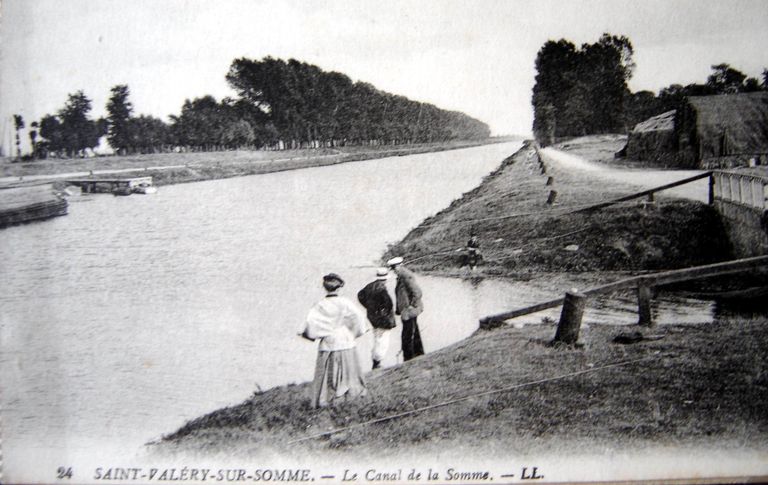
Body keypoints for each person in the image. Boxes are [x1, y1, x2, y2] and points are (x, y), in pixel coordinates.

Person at [298, 273, 369, 408]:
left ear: (325, 288)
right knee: (349, 368)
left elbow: (309, 324)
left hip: (328, 341)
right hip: (345, 338)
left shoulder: (319, 305)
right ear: (339, 287)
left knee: (327, 370)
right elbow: (359, 318)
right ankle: (350, 395)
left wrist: (315, 335)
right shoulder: (346, 302)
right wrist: (353, 332)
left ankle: (326, 398)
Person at [387, 256, 424, 361]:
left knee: (407, 335)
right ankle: (418, 354)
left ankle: (408, 358)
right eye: (392, 269)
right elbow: (403, 294)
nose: (393, 271)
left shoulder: (405, 276)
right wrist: (399, 310)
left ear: (399, 266)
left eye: (394, 268)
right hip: (407, 310)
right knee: (414, 332)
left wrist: (411, 306)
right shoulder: (401, 275)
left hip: (409, 310)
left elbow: (417, 292)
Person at [357, 267, 396, 369]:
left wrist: (369, 307)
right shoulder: (382, 289)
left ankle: (375, 361)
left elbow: (360, 295)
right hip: (383, 319)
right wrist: (383, 312)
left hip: (373, 317)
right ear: (385, 278)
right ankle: (377, 362)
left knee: (377, 338)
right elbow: (389, 304)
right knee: (383, 340)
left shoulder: (370, 286)